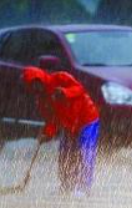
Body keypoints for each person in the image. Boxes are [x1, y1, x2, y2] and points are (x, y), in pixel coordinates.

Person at [22, 66, 99, 196]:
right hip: (69, 126)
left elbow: (79, 89)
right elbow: (52, 121)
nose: (36, 89)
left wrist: (64, 92)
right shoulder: (42, 101)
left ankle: (84, 188)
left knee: (86, 153)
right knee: (65, 154)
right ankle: (66, 186)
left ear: (40, 79)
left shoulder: (60, 77)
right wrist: (47, 134)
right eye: (32, 87)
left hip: (87, 119)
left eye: (36, 84)